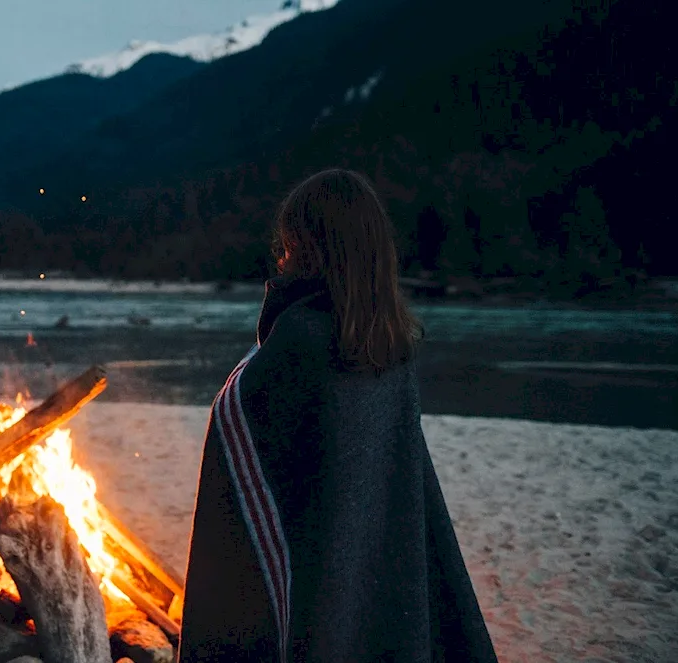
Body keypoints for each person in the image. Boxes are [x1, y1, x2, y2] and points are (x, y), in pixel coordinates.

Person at [178, 169, 498, 662]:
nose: (281, 255)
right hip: (377, 577)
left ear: (307, 244)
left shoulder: (300, 343)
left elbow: (236, 446)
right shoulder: (392, 345)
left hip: (316, 582)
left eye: (288, 241)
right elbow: (400, 494)